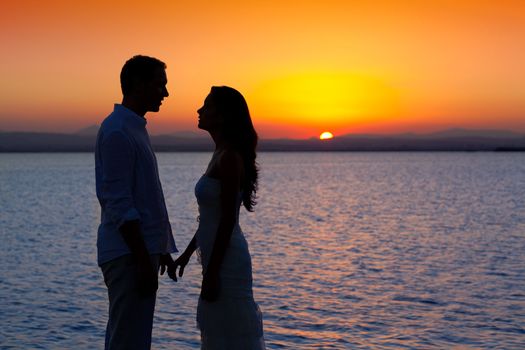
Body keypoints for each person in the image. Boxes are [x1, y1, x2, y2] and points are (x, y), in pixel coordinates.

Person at [169, 86, 265, 349]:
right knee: (218, 334)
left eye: (207, 106)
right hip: (216, 257)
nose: (199, 110)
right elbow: (209, 219)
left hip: (228, 261)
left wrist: (212, 274)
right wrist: (187, 255)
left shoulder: (230, 158)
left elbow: (226, 222)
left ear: (222, 116)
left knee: (231, 334)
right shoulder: (219, 154)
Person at [95, 55, 178, 350]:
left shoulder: (134, 128)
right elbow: (119, 202)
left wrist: (161, 248)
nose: (165, 94)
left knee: (133, 337)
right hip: (128, 254)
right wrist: (143, 258)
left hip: (140, 252)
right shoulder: (118, 131)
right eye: (159, 85)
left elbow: (147, 197)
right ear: (137, 84)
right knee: (127, 340)